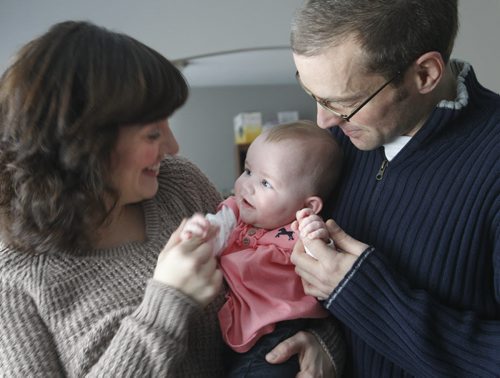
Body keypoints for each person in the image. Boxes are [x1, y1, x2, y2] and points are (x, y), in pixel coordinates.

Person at [0, 20, 344, 377]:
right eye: (153, 134)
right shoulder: (15, 279)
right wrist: (167, 302)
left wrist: (322, 344)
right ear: (84, 145)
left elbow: (269, 282)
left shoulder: (178, 184)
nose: (173, 147)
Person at [289, 0, 500, 376]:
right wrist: (323, 340)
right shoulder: (337, 146)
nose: (323, 122)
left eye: (344, 103)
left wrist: (365, 296)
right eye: (312, 95)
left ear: (425, 74)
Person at [179, 121, 343, 377]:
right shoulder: (234, 212)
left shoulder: (302, 229)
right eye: (247, 171)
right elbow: (215, 232)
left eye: (266, 183)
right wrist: (198, 234)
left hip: (283, 330)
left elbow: (324, 263)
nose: (247, 185)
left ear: (308, 206)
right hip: (238, 331)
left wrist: (318, 237)